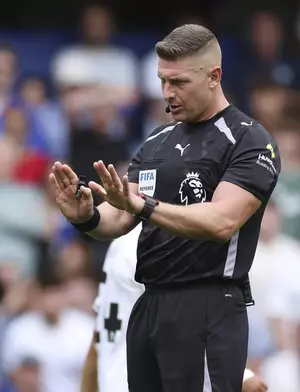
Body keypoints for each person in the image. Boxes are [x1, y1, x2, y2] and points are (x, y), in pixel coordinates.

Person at [50, 24, 280, 392]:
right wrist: (86, 216)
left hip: (207, 305)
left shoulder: (248, 140)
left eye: (178, 82)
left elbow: (221, 221)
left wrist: (143, 207)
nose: (166, 93)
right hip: (149, 303)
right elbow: (123, 216)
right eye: (161, 81)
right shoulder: (157, 138)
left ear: (213, 76)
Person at [79, 226, 269, 392]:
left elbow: (97, 340)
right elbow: (177, 323)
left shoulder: (120, 243)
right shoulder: (155, 242)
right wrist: (242, 375)